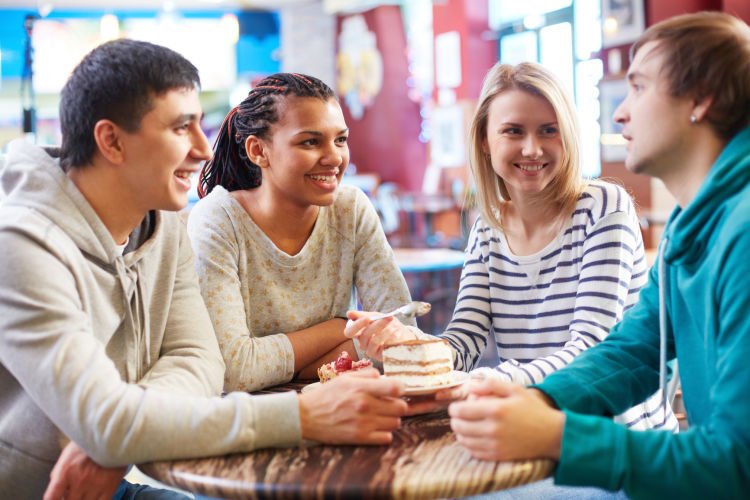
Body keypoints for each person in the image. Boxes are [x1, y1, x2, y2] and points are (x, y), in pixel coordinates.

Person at [0, 39, 407, 500]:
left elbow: (202, 364)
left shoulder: (163, 226)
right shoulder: (18, 243)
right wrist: (304, 415)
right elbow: (116, 418)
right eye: (180, 128)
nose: (202, 148)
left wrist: (116, 434)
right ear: (111, 140)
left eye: (198, 124)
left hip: (109, 482)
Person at [448, 11, 750, 499]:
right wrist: (540, 399)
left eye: (639, 86)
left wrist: (554, 433)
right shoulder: (688, 225)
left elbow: (738, 466)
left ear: (701, 100)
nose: (618, 112)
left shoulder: (744, 232)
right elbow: (631, 351)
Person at [348, 61, 676, 435]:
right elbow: (464, 343)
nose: (532, 149)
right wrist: (411, 342)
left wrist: (485, 382)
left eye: (548, 131)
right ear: (486, 141)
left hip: (616, 442)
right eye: (513, 131)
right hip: (531, 429)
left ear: (566, 135)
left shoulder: (604, 207)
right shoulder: (487, 228)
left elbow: (590, 349)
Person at [187, 72, 425, 391]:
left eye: (340, 139)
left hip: (344, 411)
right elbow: (232, 370)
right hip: (252, 424)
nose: (334, 158)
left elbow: (400, 340)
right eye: (310, 141)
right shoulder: (218, 220)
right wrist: (341, 328)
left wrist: (296, 367)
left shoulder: (350, 208)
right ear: (259, 151)